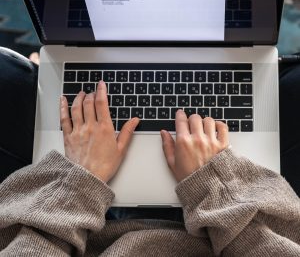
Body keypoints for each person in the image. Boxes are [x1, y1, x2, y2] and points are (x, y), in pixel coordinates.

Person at [0, 48, 299, 256]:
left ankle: (40, 74)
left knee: (12, 79)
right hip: (229, 233)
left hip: (75, 232)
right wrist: (214, 185)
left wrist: (80, 181)